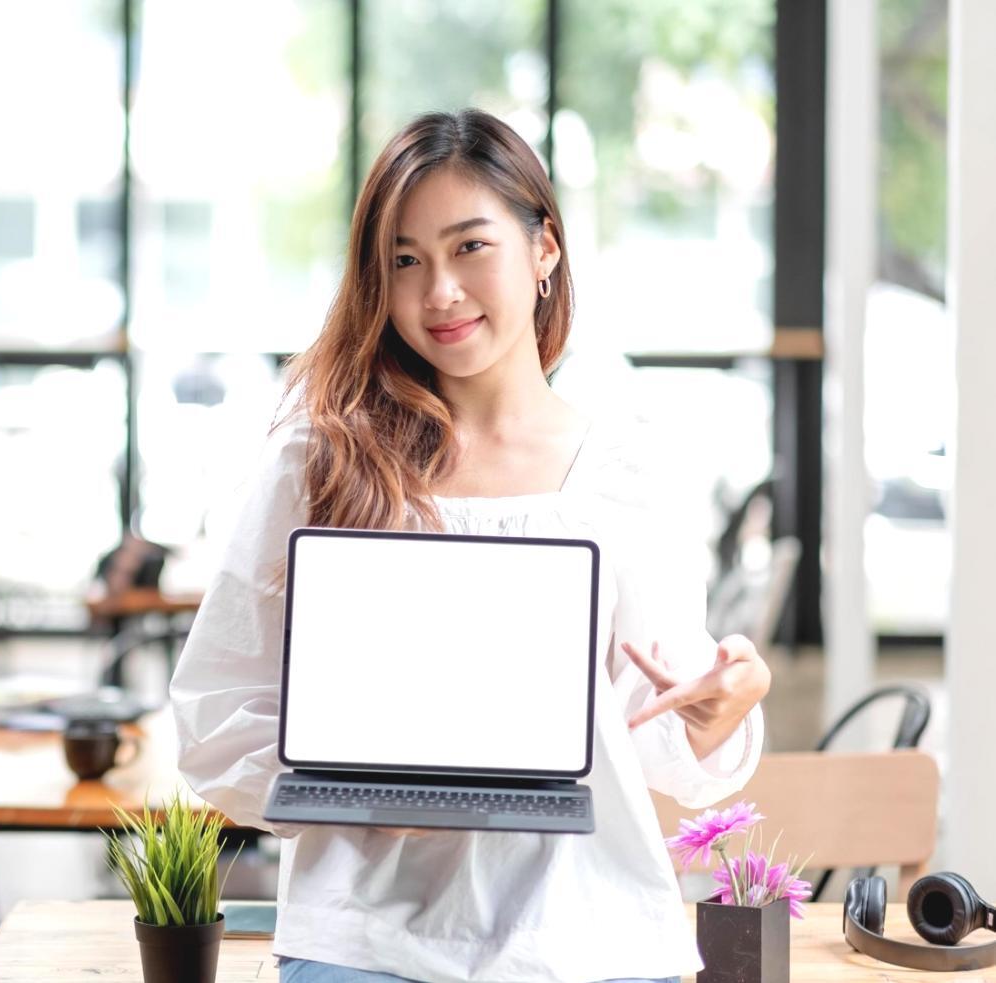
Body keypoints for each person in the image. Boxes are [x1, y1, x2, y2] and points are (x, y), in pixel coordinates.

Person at [167, 109, 772, 983]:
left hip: (586, 932)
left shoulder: (627, 468)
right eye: (405, 261)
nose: (439, 291)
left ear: (545, 251)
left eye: (469, 247)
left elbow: (660, 730)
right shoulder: (323, 459)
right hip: (363, 936)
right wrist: (354, 798)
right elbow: (215, 708)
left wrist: (714, 713)